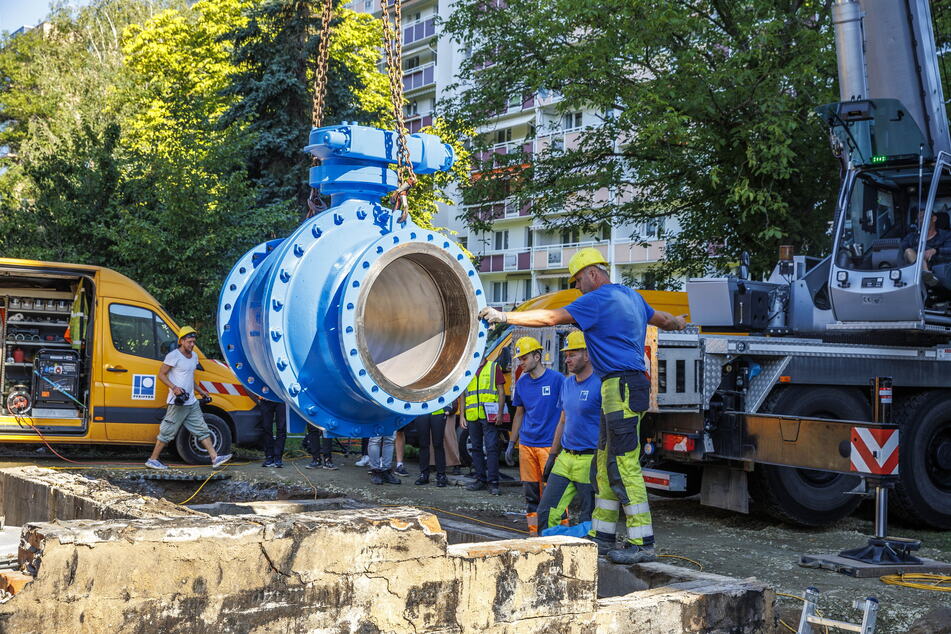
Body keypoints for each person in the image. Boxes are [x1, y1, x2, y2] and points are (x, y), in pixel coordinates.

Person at [478, 248, 687, 564]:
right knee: (604, 464)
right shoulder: (632, 297)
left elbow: (550, 317)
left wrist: (504, 316)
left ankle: (643, 542)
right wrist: (680, 323)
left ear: (592, 273)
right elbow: (666, 320)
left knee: (621, 465)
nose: (578, 289)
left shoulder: (597, 299)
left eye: (577, 281)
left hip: (621, 386)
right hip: (623, 387)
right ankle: (602, 537)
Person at [536, 331, 599, 532]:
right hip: (565, 458)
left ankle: (585, 557)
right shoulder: (567, 383)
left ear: (587, 355)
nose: (567, 358)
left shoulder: (601, 384)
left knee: (588, 517)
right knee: (546, 512)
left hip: (590, 459)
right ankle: (546, 551)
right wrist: (553, 454)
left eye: (572, 354)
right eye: (566, 354)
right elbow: (563, 420)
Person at [145, 326, 231, 470]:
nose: (192, 344)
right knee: (167, 432)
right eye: (189, 342)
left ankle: (215, 458)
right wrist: (174, 388)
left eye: (193, 342)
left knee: (202, 429)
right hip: (177, 402)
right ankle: (153, 460)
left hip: (191, 401)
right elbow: (161, 375)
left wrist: (201, 391)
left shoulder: (194, 357)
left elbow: (189, 377)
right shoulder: (174, 356)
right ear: (182, 341)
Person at [508, 336, 563, 535]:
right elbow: (519, 414)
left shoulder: (557, 380)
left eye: (524, 358)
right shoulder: (522, 384)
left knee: (553, 492)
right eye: (519, 359)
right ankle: (534, 532)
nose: (520, 362)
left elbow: (567, 413)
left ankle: (558, 531)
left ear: (537, 356)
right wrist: (512, 442)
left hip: (548, 446)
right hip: (527, 445)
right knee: (531, 492)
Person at [462, 356, 506, 495]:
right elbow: (462, 394)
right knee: (476, 448)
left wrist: (500, 413)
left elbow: (501, 391)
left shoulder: (493, 367)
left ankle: (493, 483)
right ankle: (480, 479)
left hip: (489, 415)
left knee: (492, 448)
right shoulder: (467, 368)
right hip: (472, 415)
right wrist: (461, 415)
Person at [414, 406, 449, 487]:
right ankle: (424, 475)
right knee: (423, 444)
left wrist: (448, 408)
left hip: (438, 411)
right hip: (421, 410)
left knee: (438, 444)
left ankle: (441, 475)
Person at [257, 397, 286, 468]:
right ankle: (269, 457)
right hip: (265, 399)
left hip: (281, 398)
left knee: (281, 428)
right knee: (266, 428)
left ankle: (278, 457)